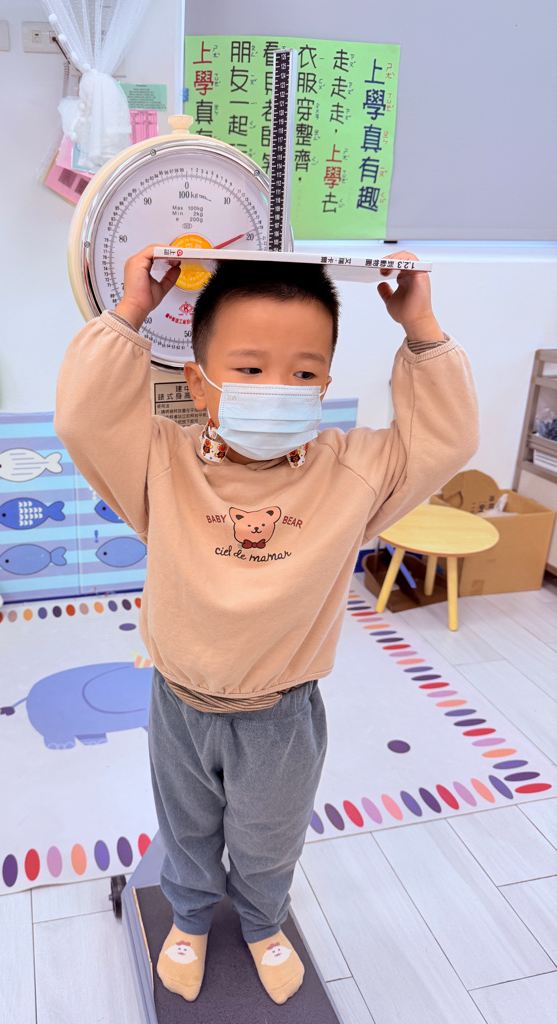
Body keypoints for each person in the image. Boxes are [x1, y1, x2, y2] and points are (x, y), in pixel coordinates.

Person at [55, 245, 478, 1005]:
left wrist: (421, 328)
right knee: (186, 828)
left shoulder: (352, 473)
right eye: (249, 369)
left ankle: (261, 921)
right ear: (199, 382)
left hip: (282, 713)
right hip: (181, 704)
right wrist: (131, 312)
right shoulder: (160, 464)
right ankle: (189, 918)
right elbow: (83, 418)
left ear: (325, 385)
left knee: (270, 837)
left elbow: (445, 441)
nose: (277, 388)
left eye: (304, 373)